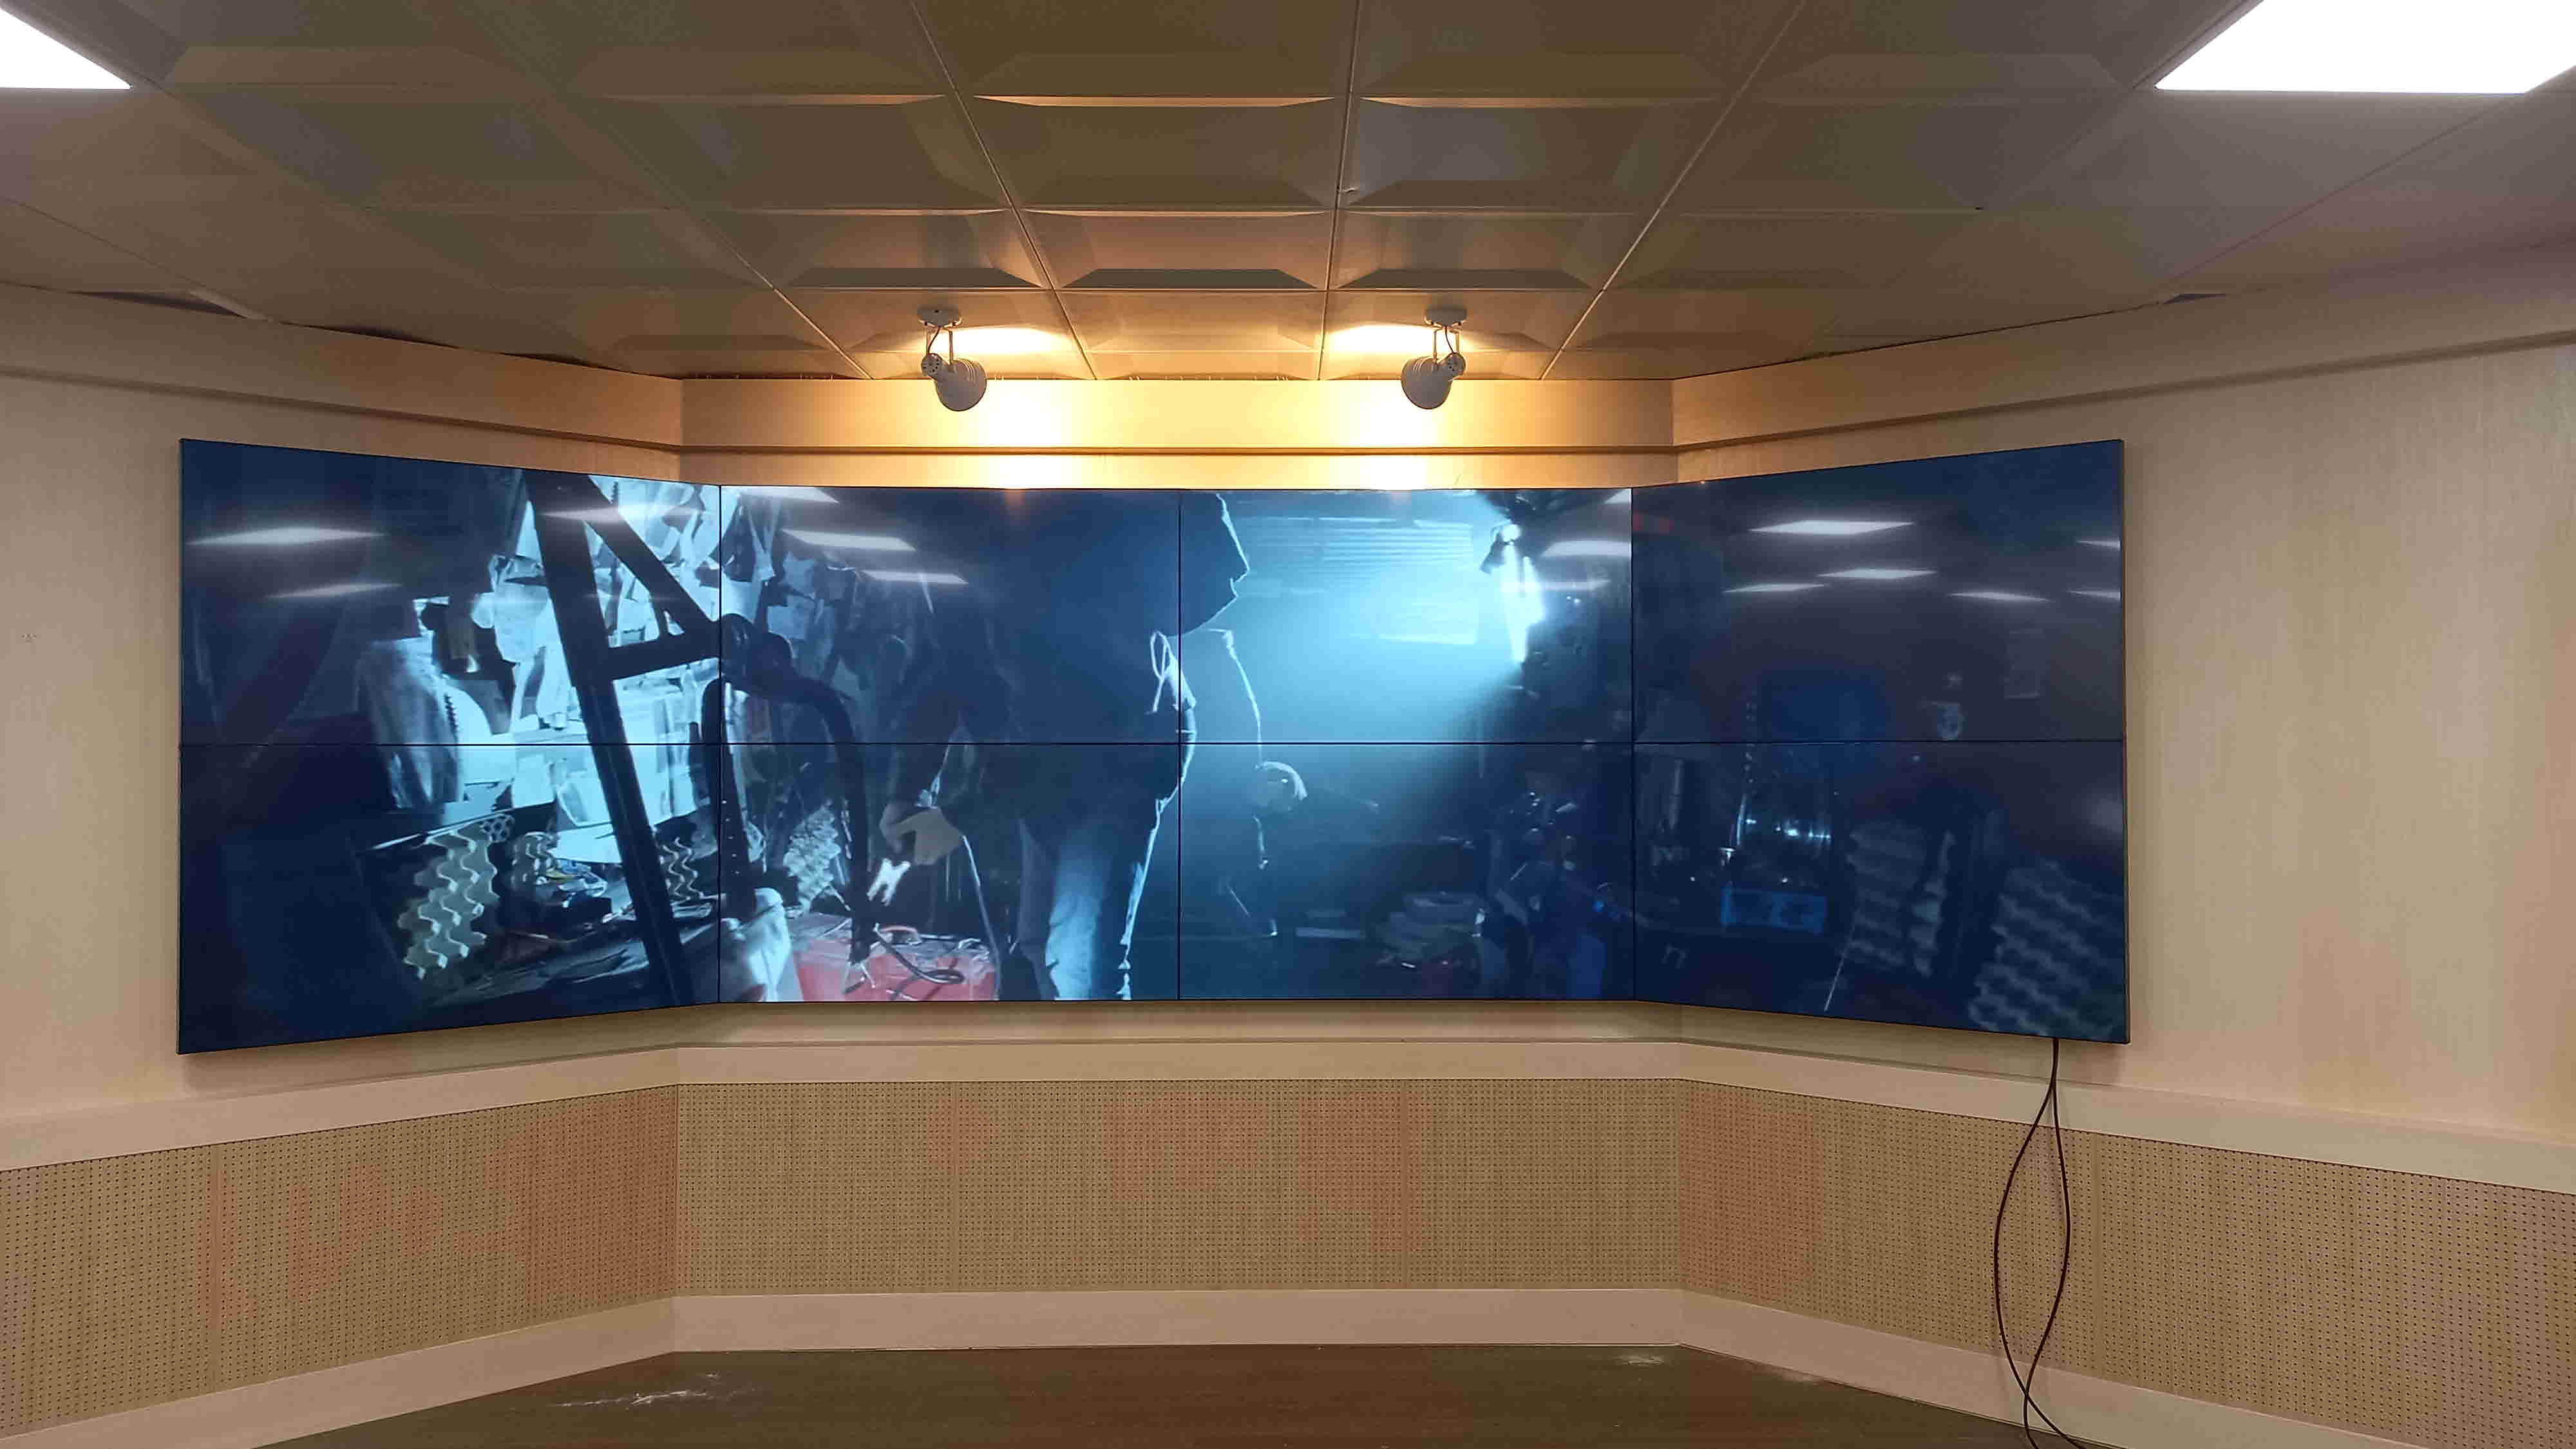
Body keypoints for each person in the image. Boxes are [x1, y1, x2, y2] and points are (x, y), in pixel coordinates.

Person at [875, 491, 1247, 1000]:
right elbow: (941, 669)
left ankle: (1094, 1051)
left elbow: (1070, 712)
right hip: (1055, 747)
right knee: (1040, 942)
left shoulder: (1049, 549)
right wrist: (907, 789)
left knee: (1081, 959)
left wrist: (960, 815)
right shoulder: (955, 546)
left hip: (1124, 749)